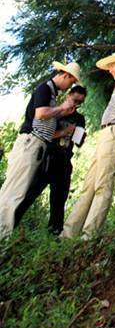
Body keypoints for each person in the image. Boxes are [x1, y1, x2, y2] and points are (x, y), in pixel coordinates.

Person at [62, 52, 115, 239]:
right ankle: (68, 234)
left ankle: (89, 235)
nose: (110, 70)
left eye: (112, 66)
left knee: (103, 183)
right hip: (107, 133)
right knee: (89, 184)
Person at [0, 60, 81, 239]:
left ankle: (5, 236)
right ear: (65, 75)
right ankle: (2, 237)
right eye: (71, 81)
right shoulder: (45, 89)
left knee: (17, 193)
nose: (70, 86)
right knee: (13, 194)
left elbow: (46, 120)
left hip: (38, 146)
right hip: (31, 143)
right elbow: (40, 114)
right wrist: (61, 108)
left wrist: (62, 113)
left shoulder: (52, 94)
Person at [14, 85, 87, 235]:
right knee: (29, 193)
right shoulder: (56, 111)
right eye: (74, 100)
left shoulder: (79, 118)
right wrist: (64, 132)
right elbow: (43, 132)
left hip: (65, 160)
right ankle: (10, 226)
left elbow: (78, 142)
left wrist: (80, 136)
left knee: (58, 201)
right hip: (47, 157)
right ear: (68, 95)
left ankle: (53, 235)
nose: (76, 104)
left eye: (80, 102)